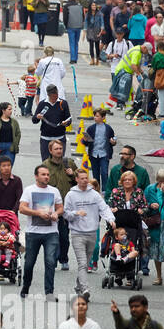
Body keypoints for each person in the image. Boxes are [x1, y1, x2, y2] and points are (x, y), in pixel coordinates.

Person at [64, 169, 116, 299]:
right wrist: (76, 213)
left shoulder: (94, 194)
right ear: (76, 179)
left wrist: (111, 219)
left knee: (86, 263)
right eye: (81, 178)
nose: (84, 180)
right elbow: (65, 214)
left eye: (86, 178)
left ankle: (78, 287)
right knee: (82, 263)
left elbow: (104, 208)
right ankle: (85, 289)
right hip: (77, 233)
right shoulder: (71, 195)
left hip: (92, 233)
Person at [19, 165, 63, 298]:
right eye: (43, 174)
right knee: (29, 263)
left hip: (51, 232)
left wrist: (56, 213)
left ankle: (49, 292)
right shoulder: (29, 190)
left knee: (50, 261)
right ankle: (26, 287)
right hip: (33, 232)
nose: (46, 177)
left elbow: (61, 208)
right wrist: (38, 213)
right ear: (36, 176)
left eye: (48, 175)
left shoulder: (54, 191)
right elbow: (22, 208)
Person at [32, 84, 72, 161]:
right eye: (53, 96)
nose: (55, 98)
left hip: (60, 137)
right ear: (48, 95)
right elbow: (34, 120)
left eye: (56, 95)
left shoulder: (63, 103)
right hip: (45, 138)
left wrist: (66, 123)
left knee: (59, 162)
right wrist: (37, 117)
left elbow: (69, 119)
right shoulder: (42, 104)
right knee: (45, 162)